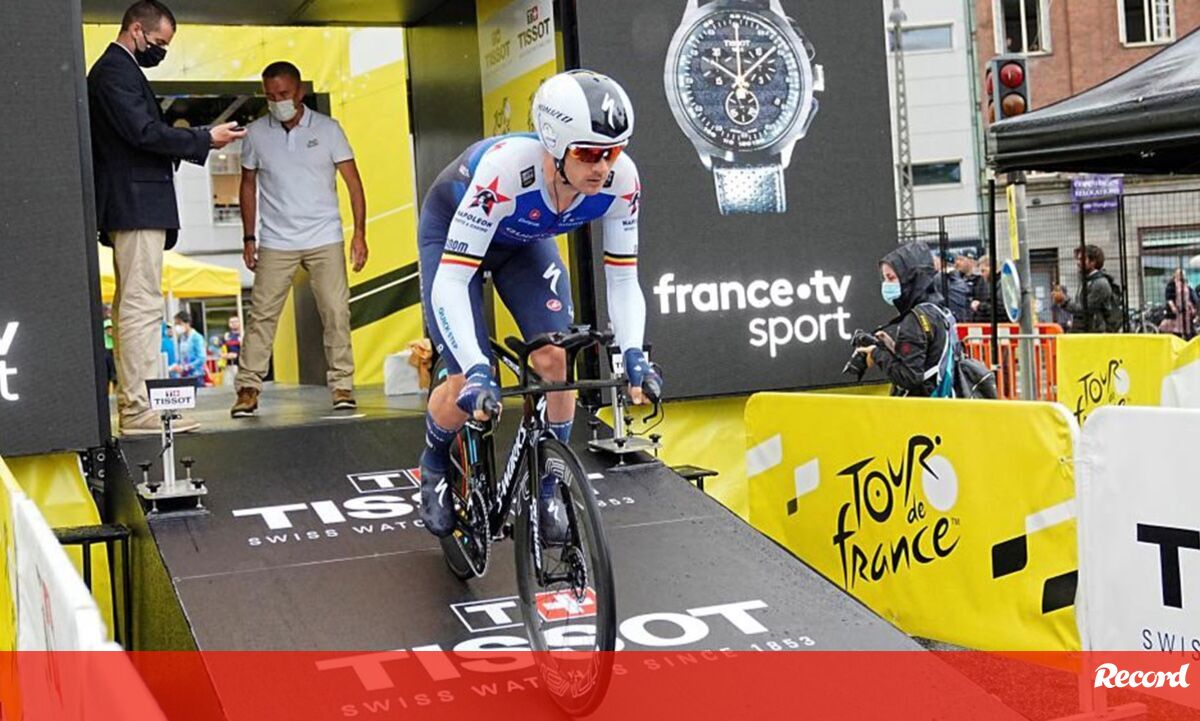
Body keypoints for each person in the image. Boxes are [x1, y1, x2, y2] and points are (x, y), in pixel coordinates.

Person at [416, 70, 661, 542]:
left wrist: (633, 354)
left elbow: (623, 278)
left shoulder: (623, 182)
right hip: (452, 239)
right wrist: (476, 368)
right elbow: (452, 280)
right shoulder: (506, 171)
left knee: (555, 360)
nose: (602, 167)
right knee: (465, 378)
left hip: (523, 244)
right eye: (588, 153)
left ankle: (550, 486)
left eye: (612, 152)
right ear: (554, 144)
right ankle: (434, 460)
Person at [89, 1, 244, 435]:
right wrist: (203, 138)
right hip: (134, 203)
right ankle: (138, 409)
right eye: (158, 42)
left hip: (135, 203)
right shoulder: (114, 72)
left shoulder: (119, 70)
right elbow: (143, 133)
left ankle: (137, 405)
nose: (161, 51)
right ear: (136, 30)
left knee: (135, 305)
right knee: (140, 306)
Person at [231, 61, 368, 418]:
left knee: (336, 311)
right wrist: (249, 237)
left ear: (300, 92)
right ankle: (247, 389)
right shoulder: (256, 133)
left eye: (284, 94)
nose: (277, 101)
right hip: (276, 240)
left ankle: (342, 386)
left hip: (325, 235)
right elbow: (247, 185)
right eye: (270, 95)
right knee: (261, 315)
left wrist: (359, 234)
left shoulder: (328, 130)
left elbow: (353, 183)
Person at [852, 241, 957, 397]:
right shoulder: (936, 310)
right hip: (943, 399)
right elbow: (926, 357)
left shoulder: (915, 320)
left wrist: (876, 353)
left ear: (910, 278)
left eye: (891, 278)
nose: (886, 285)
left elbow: (909, 377)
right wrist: (891, 346)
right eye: (884, 279)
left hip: (920, 405)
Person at [1052, 245, 1117, 333]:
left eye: (1081, 259)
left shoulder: (1100, 284)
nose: (1078, 263)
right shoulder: (1087, 280)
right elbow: (1080, 306)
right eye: (1078, 259)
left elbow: (1085, 310)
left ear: (1093, 262)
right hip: (1086, 331)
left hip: (1094, 333)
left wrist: (1064, 300)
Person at [170, 312, 207, 386]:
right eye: (176, 324)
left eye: (179, 323)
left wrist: (187, 367)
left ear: (187, 323)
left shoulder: (197, 338)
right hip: (184, 376)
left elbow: (201, 358)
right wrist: (177, 366)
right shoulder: (182, 338)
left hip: (196, 376)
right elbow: (181, 356)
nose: (177, 326)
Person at [1163, 268, 1197, 337]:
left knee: (1190, 332)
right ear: (1175, 274)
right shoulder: (1171, 285)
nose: (1182, 276)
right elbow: (1169, 298)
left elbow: (1190, 297)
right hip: (1176, 313)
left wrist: (1192, 307)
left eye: (1183, 274)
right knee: (1176, 332)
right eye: (1180, 274)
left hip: (1186, 312)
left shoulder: (1186, 284)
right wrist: (1173, 308)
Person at [970, 255, 1001, 323]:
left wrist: (980, 306)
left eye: (983, 270)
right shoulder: (986, 284)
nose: (982, 274)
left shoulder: (1001, 284)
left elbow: (1000, 308)